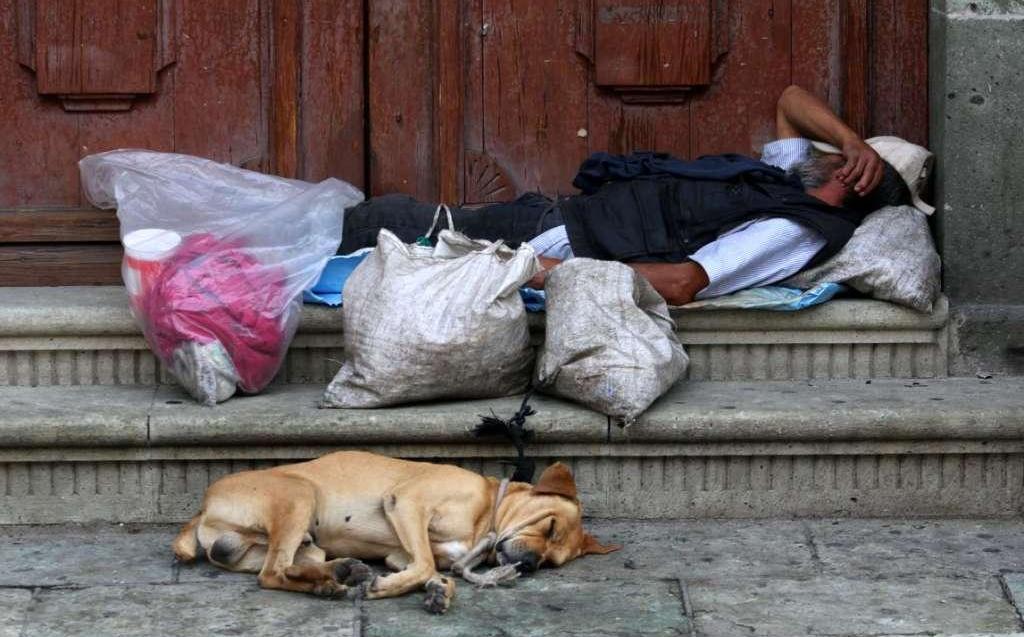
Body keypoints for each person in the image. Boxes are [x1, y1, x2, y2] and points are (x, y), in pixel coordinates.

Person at [338, 85, 915, 305]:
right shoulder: (790, 183)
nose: (823, 149)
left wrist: (536, 269)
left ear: (849, 181)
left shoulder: (793, 229)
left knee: (382, 223)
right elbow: (790, 98)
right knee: (376, 225)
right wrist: (852, 140)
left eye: (838, 156)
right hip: (561, 216)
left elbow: (684, 282)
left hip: (559, 240)